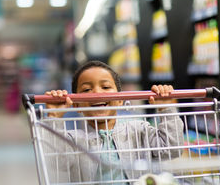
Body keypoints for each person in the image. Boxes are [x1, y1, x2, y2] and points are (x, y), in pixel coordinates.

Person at [44, 60, 184, 184]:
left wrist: (166, 109)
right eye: (87, 89)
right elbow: (56, 162)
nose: (97, 93)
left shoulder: (139, 130)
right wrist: (54, 117)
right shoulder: (73, 141)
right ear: (76, 105)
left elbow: (172, 149)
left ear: (120, 99)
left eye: (105, 87)